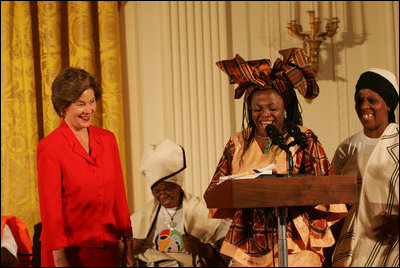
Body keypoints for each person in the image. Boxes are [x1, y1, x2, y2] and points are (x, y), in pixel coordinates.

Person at [204, 48, 348, 267]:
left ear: (286, 109)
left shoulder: (303, 138)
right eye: (257, 109)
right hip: (250, 241)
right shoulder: (238, 143)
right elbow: (214, 193)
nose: (265, 114)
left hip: (297, 242)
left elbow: (325, 188)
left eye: (273, 107)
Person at [36, 67, 133, 267]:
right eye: (80, 104)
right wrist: (60, 260)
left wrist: (128, 243)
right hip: (68, 251)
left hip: (107, 247)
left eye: (91, 102)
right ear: (63, 107)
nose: (88, 110)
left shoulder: (108, 140)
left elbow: (119, 196)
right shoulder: (50, 147)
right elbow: (50, 210)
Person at [331, 68, 399, 267]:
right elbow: (332, 200)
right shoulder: (347, 148)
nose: (364, 106)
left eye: (372, 100)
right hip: (354, 242)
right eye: (359, 100)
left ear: (388, 104)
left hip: (392, 241)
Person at [130, 138, 232, 267]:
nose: (162, 195)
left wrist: (202, 249)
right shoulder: (144, 214)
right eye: (156, 191)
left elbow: (221, 262)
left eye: (168, 189)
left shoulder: (201, 210)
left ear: (178, 186)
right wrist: (131, 247)